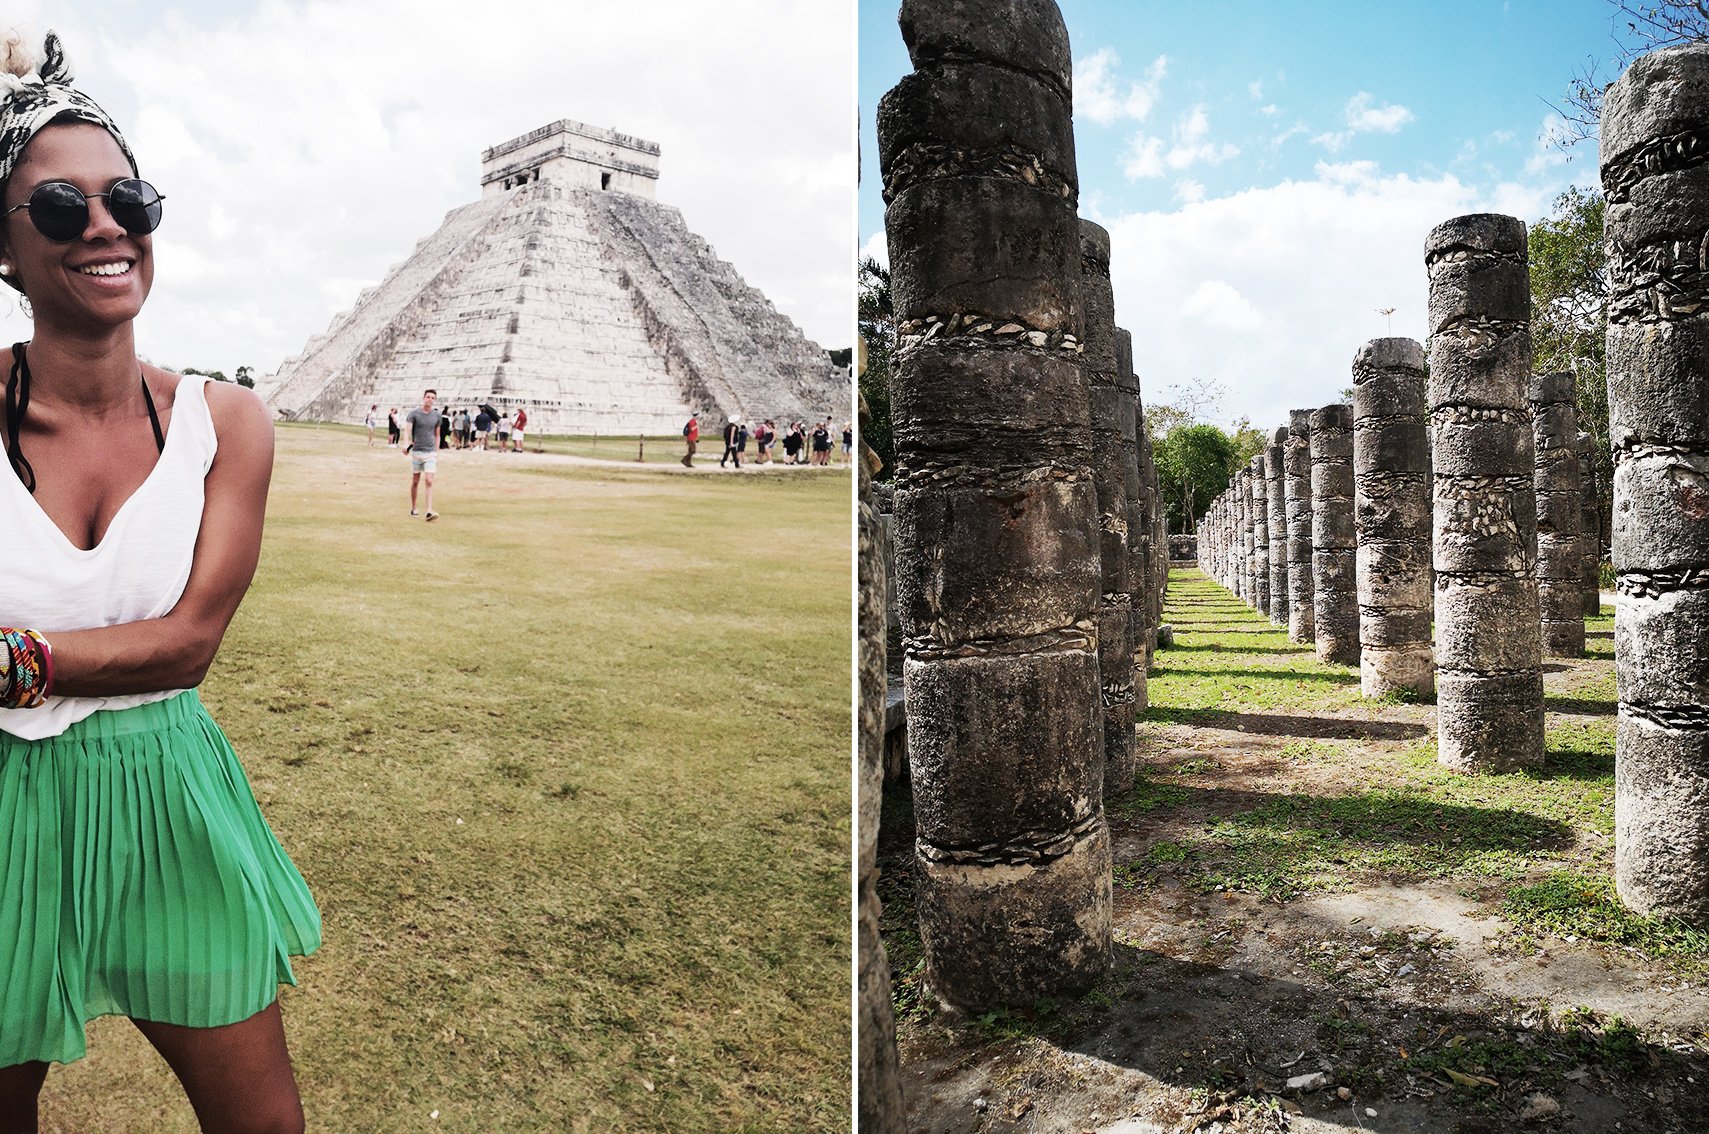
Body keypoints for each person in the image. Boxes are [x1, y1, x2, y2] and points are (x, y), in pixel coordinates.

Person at [0, 31, 320, 1132]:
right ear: (3, 247)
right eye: (55, 206)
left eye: (128, 197)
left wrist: (11, 657)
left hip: (165, 793)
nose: (102, 225)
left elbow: (187, 645)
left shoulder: (226, 421)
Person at [403, 389, 441, 519]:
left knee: (429, 481)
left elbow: (437, 435)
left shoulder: (437, 415)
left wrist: (437, 453)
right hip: (417, 451)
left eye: (432, 398)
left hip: (430, 452)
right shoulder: (414, 413)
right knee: (415, 481)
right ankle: (414, 508)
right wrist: (406, 444)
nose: (430, 399)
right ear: (424, 398)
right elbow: (407, 430)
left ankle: (429, 510)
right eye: (428, 397)